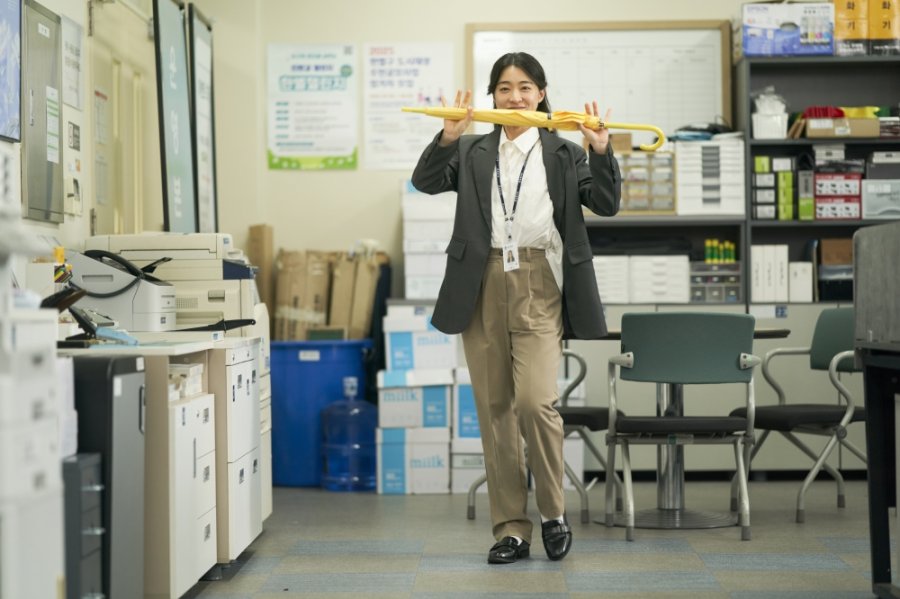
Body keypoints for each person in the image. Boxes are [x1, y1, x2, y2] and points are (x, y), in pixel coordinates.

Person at [411, 51, 621, 564]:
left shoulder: (564, 151)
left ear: (541, 94)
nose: (514, 97)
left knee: (534, 402)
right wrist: (447, 137)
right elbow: (426, 181)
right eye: (504, 88)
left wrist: (600, 150)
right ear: (493, 96)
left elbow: (606, 203)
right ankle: (510, 529)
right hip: (480, 281)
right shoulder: (473, 149)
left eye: (525, 87)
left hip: (539, 279)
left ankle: (553, 513)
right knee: (496, 410)